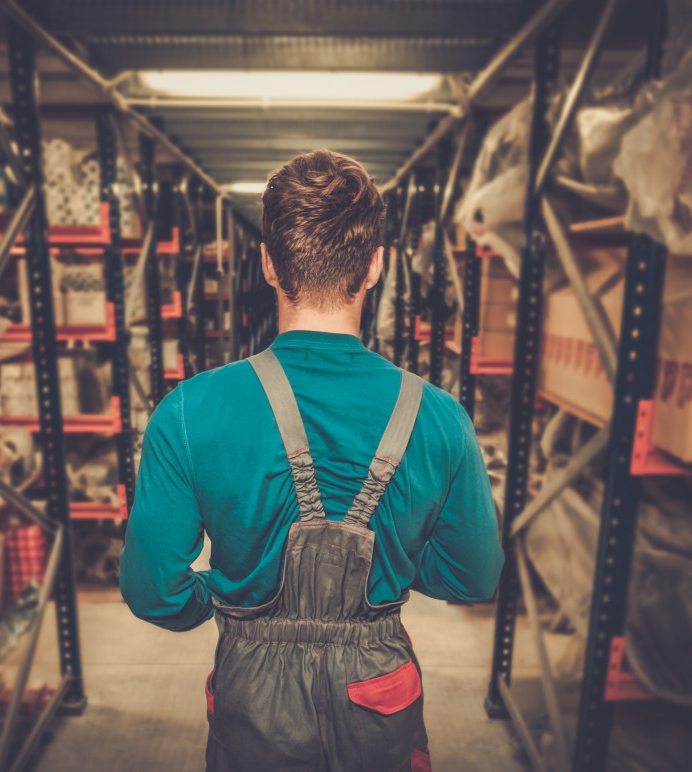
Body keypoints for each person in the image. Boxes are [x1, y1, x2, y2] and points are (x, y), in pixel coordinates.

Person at [120, 149, 504, 772]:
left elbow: (152, 592)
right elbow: (474, 575)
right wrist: (396, 564)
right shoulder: (439, 417)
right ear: (376, 266)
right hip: (380, 695)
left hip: (253, 701)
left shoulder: (189, 410)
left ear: (269, 264)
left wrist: (226, 598)